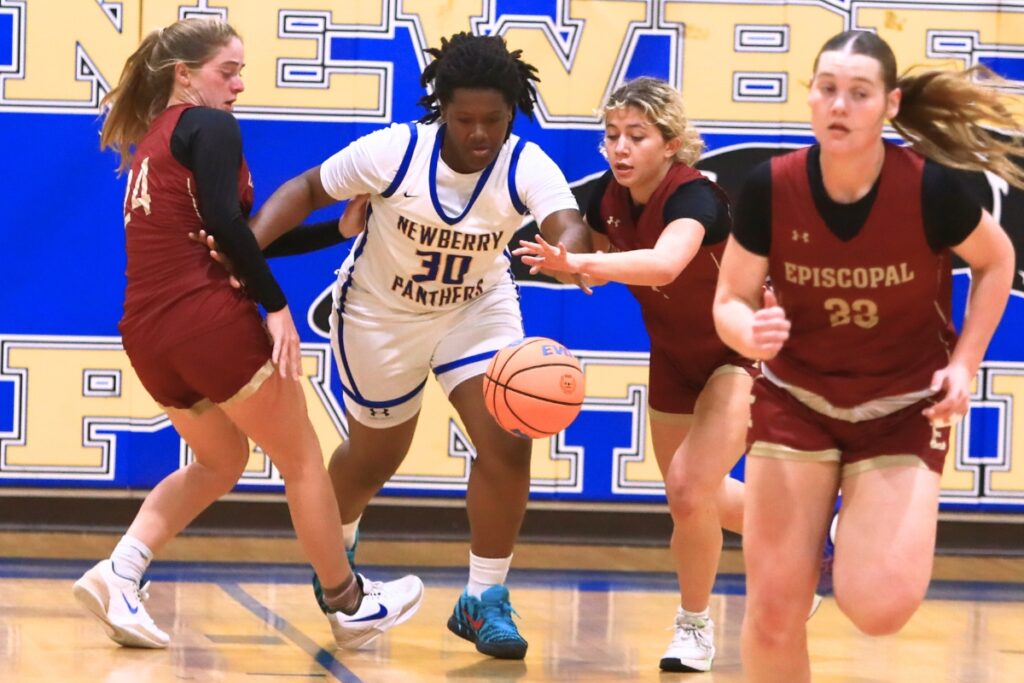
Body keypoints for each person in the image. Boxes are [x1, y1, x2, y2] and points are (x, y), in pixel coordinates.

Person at [230, 32, 592, 660]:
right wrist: (248, 247)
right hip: (380, 314)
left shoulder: (526, 163)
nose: (480, 134)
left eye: (494, 120)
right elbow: (307, 189)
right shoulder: (395, 152)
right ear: (441, 111)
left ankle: (484, 600)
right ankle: (333, 557)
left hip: (476, 310)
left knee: (508, 440)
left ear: (513, 112)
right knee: (376, 458)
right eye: (465, 120)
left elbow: (566, 222)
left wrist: (574, 254)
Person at [71, 18, 423, 651]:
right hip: (206, 319)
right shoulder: (209, 125)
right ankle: (349, 605)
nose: (237, 84)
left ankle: (120, 573)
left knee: (220, 460)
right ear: (185, 75)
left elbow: (236, 233)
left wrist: (336, 233)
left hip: (150, 333)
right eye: (226, 71)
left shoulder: (156, 138)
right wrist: (276, 307)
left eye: (240, 72)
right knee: (302, 459)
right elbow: (230, 231)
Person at [712, 30, 1018, 683]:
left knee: (877, 606)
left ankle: (825, 543)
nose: (839, 105)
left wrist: (963, 364)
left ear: (889, 104)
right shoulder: (771, 187)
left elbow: (997, 263)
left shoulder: (930, 189)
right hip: (797, 400)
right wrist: (747, 333)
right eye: (827, 89)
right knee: (772, 611)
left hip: (902, 407)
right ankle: (800, 549)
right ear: (811, 100)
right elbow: (730, 299)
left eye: (858, 93)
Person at [514, 76, 754, 672]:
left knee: (688, 487)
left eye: (637, 136)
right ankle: (793, 534)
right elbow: (583, 264)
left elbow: (666, 264)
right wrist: (535, 260)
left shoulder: (696, 198)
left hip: (740, 353)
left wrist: (584, 261)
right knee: (692, 500)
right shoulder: (605, 198)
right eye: (612, 135)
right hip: (672, 356)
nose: (620, 148)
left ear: (670, 144)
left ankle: (694, 629)